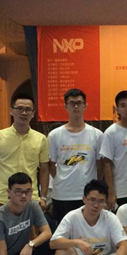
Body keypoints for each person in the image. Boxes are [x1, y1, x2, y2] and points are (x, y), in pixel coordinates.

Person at [0, 93, 49, 212]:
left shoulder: (41, 139)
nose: (24, 113)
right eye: (19, 108)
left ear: (33, 113)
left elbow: (44, 169)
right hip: (3, 198)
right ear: (11, 111)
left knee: (32, 226)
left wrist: (43, 197)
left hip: (30, 199)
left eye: (28, 109)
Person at [48, 88, 104, 224]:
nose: (76, 106)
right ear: (66, 106)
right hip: (62, 195)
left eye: (79, 103)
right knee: (64, 232)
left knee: (89, 231)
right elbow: (51, 165)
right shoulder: (55, 135)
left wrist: (93, 185)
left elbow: (100, 166)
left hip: (88, 195)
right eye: (72, 103)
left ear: (85, 106)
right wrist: (62, 179)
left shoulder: (97, 134)